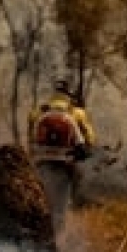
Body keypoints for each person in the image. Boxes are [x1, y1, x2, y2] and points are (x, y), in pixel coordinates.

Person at [27, 76, 96, 232]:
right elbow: (90, 140)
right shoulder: (77, 113)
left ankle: (36, 230)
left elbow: (31, 139)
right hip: (64, 163)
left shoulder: (37, 112)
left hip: (41, 162)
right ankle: (59, 234)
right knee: (62, 204)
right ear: (68, 94)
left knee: (40, 198)